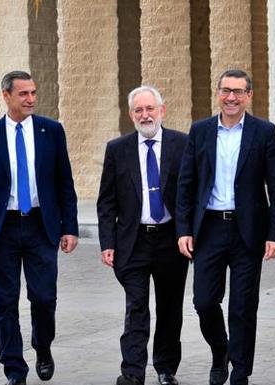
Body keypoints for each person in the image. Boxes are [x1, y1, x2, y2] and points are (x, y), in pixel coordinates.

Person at [0, 70, 78, 385]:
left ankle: (43, 346)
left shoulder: (51, 131)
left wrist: (70, 227)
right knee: (5, 302)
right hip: (2, 229)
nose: (30, 99)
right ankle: (15, 369)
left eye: (33, 93)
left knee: (44, 297)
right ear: (6, 96)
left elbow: (64, 183)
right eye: (23, 94)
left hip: (41, 226)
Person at [175, 69, 275, 385]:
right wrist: (184, 229)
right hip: (208, 229)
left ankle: (239, 372)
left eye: (238, 91)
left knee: (242, 306)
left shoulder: (264, 132)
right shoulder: (200, 131)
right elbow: (187, 183)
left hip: (247, 230)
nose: (231, 97)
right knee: (204, 301)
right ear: (218, 92)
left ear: (248, 95)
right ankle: (220, 350)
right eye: (226, 90)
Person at [97, 86, 189, 385]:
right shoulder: (117, 149)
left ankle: (165, 368)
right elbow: (106, 201)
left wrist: (189, 233)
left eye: (150, 109)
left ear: (162, 111)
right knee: (136, 305)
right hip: (132, 241)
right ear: (131, 115)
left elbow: (190, 194)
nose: (145, 115)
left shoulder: (182, 144)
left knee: (169, 307)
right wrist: (107, 243)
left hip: (170, 240)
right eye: (139, 110)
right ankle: (132, 372)